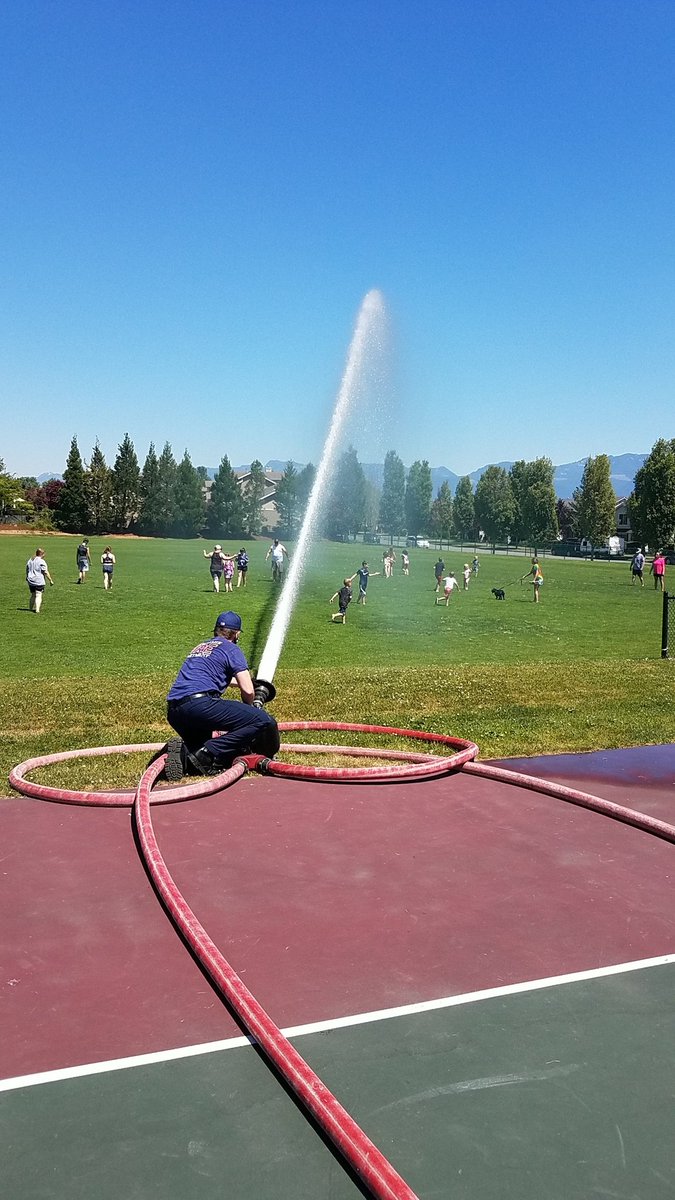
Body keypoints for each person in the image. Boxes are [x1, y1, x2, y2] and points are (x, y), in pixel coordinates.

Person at [164, 611, 280, 780]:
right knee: (262, 720)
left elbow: (215, 676)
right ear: (237, 633)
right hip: (201, 705)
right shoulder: (231, 648)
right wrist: (253, 709)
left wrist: (248, 681)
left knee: (200, 746)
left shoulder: (201, 647)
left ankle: (186, 754)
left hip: (175, 710)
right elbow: (248, 691)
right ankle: (207, 753)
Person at [26, 547, 54, 613]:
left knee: (33, 594)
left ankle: (30, 608)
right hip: (39, 581)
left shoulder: (30, 560)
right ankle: (37, 609)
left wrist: (27, 576)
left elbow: (27, 569)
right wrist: (50, 580)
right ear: (42, 554)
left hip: (31, 580)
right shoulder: (41, 561)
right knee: (38, 594)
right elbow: (45, 572)